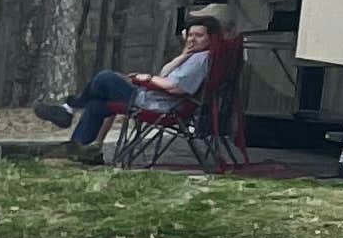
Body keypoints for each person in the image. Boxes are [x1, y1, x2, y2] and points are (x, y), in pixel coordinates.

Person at [39, 8, 229, 156]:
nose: (192, 39)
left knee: (105, 77)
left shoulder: (202, 59)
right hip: (159, 98)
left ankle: (70, 107)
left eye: (199, 36)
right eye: (191, 35)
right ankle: (79, 149)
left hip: (161, 104)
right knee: (97, 105)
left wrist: (146, 79)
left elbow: (176, 87)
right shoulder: (195, 56)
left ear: (211, 38)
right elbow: (166, 73)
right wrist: (184, 54)